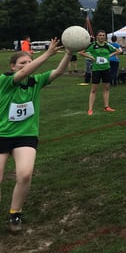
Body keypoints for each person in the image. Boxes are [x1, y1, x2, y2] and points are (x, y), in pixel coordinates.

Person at [0, 38, 71, 232]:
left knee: (25, 174)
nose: (27, 66)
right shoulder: (5, 80)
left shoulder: (36, 82)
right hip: (2, 134)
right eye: (22, 63)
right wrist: (47, 53)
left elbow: (59, 71)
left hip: (26, 134)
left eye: (29, 61)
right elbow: (23, 73)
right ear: (12, 66)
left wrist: (69, 53)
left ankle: (15, 213)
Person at [79, 30, 119, 115]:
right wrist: (91, 57)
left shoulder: (107, 45)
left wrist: (109, 55)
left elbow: (118, 51)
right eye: (100, 35)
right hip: (96, 69)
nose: (102, 37)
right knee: (94, 89)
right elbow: (81, 53)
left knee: (106, 88)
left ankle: (106, 107)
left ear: (105, 37)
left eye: (103, 35)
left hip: (106, 69)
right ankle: (90, 109)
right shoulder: (93, 45)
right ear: (97, 36)